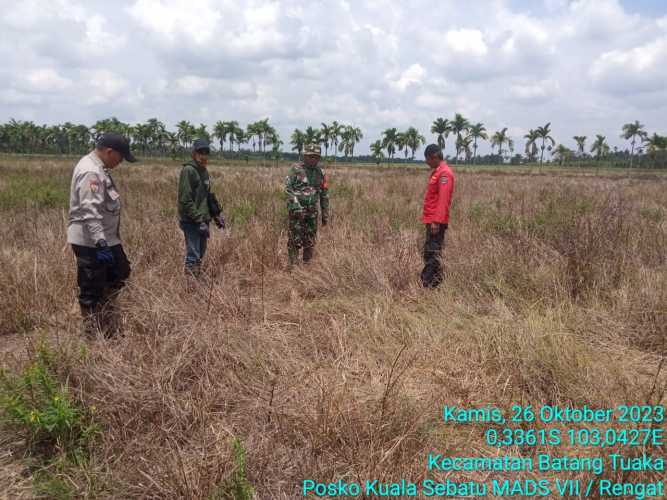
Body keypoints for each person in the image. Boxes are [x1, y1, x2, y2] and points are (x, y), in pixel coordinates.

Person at [67, 132, 136, 338]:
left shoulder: (100, 168)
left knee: (120, 272)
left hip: (105, 238)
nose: (121, 162)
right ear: (109, 152)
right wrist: (101, 243)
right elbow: (90, 211)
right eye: (120, 157)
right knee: (91, 287)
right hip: (92, 241)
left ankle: (108, 320)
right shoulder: (91, 172)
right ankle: (92, 334)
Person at [177, 138, 225, 277]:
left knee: (201, 252)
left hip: (203, 220)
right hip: (192, 221)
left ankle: (195, 280)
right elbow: (185, 200)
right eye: (200, 152)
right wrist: (198, 220)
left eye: (206, 152)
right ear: (194, 153)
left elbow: (207, 196)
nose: (203, 155)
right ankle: (191, 288)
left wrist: (216, 215)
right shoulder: (188, 170)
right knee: (193, 254)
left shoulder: (204, 171)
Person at [284, 143, 329, 267]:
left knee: (310, 240)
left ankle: (307, 267)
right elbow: (288, 189)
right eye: (310, 156)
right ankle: (293, 267)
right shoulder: (296, 169)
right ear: (304, 156)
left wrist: (325, 215)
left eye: (316, 157)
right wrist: (296, 206)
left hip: (312, 213)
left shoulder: (321, 173)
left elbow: (324, 195)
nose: (313, 159)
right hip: (297, 212)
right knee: (294, 240)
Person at [421, 144, 455, 288]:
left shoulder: (444, 174)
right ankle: (436, 283)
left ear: (434, 157)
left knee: (432, 253)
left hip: (436, 221)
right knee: (432, 252)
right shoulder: (437, 172)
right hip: (431, 220)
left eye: (427, 159)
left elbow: (443, 200)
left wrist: (436, 221)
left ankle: (427, 284)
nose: (426, 162)